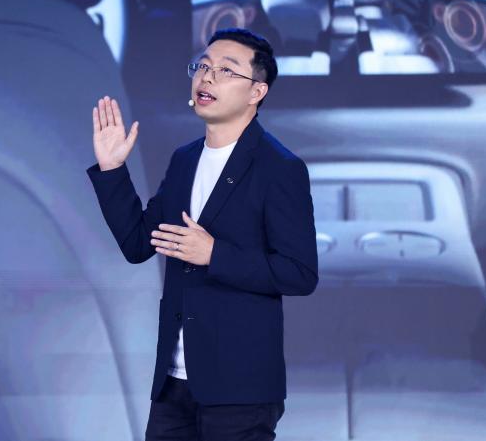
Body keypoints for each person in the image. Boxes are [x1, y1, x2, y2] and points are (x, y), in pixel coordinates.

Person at [86, 27, 318, 440]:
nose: (207, 77)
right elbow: (139, 244)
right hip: (173, 385)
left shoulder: (279, 168)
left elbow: (299, 273)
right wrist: (112, 170)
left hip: (240, 389)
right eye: (203, 66)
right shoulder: (184, 159)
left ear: (256, 92)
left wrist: (215, 254)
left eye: (226, 70)